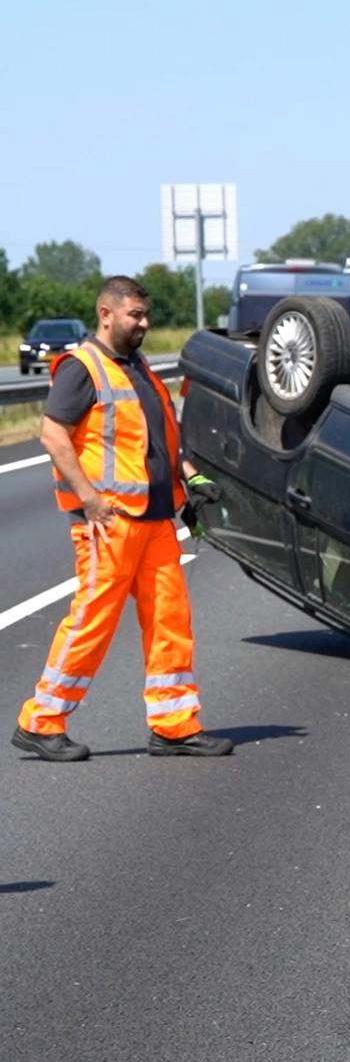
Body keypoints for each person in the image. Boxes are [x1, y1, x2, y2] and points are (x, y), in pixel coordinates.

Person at [11, 276, 231, 762]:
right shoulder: (83, 367)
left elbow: (158, 440)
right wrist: (88, 498)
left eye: (146, 315)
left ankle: (174, 725)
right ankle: (40, 721)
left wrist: (190, 480)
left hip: (155, 521)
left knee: (170, 621)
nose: (145, 324)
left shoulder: (136, 367)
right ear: (106, 314)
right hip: (109, 521)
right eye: (136, 315)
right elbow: (52, 434)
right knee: (93, 621)